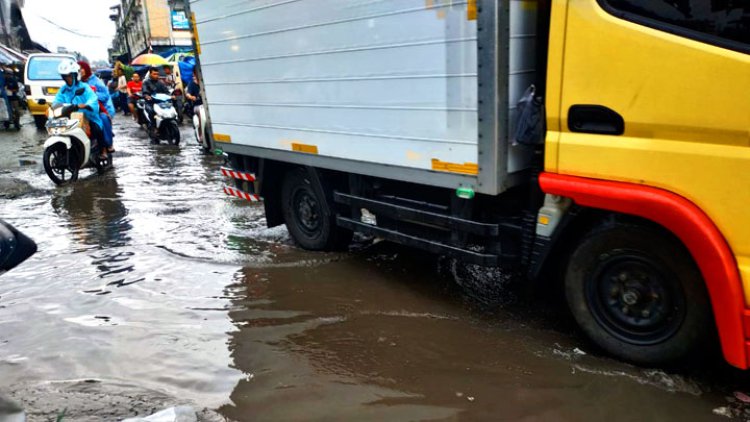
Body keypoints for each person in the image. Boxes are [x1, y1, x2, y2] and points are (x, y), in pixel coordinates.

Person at [52, 59, 106, 159]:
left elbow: (93, 98)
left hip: (88, 117)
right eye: (64, 76)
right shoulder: (62, 90)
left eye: (68, 76)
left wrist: (86, 105)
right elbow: (56, 102)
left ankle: (103, 151)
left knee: (96, 129)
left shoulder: (84, 87)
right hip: (69, 118)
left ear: (74, 75)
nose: (66, 78)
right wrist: (53, 108)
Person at [79, 61, 115, 153]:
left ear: (86, 69)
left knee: (103, 119)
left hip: (98, 109)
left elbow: (105, 96)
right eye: (77, 69)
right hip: (79, 110)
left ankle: (107, 145)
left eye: (81, 69)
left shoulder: (96, 81)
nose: (79, 71)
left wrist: (92, 94)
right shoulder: (75, 83)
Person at [142, 66, 173, 140]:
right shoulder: (146, 82)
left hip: (161, 103)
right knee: (151, 112)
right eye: (154, 74)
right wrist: (147, 96)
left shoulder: (161, 82)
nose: (156, 76)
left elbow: (166, 91)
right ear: (150, 74)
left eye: (157, 74)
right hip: (150, 103)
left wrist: (171, 96)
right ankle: (154, 127)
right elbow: (145, 91)